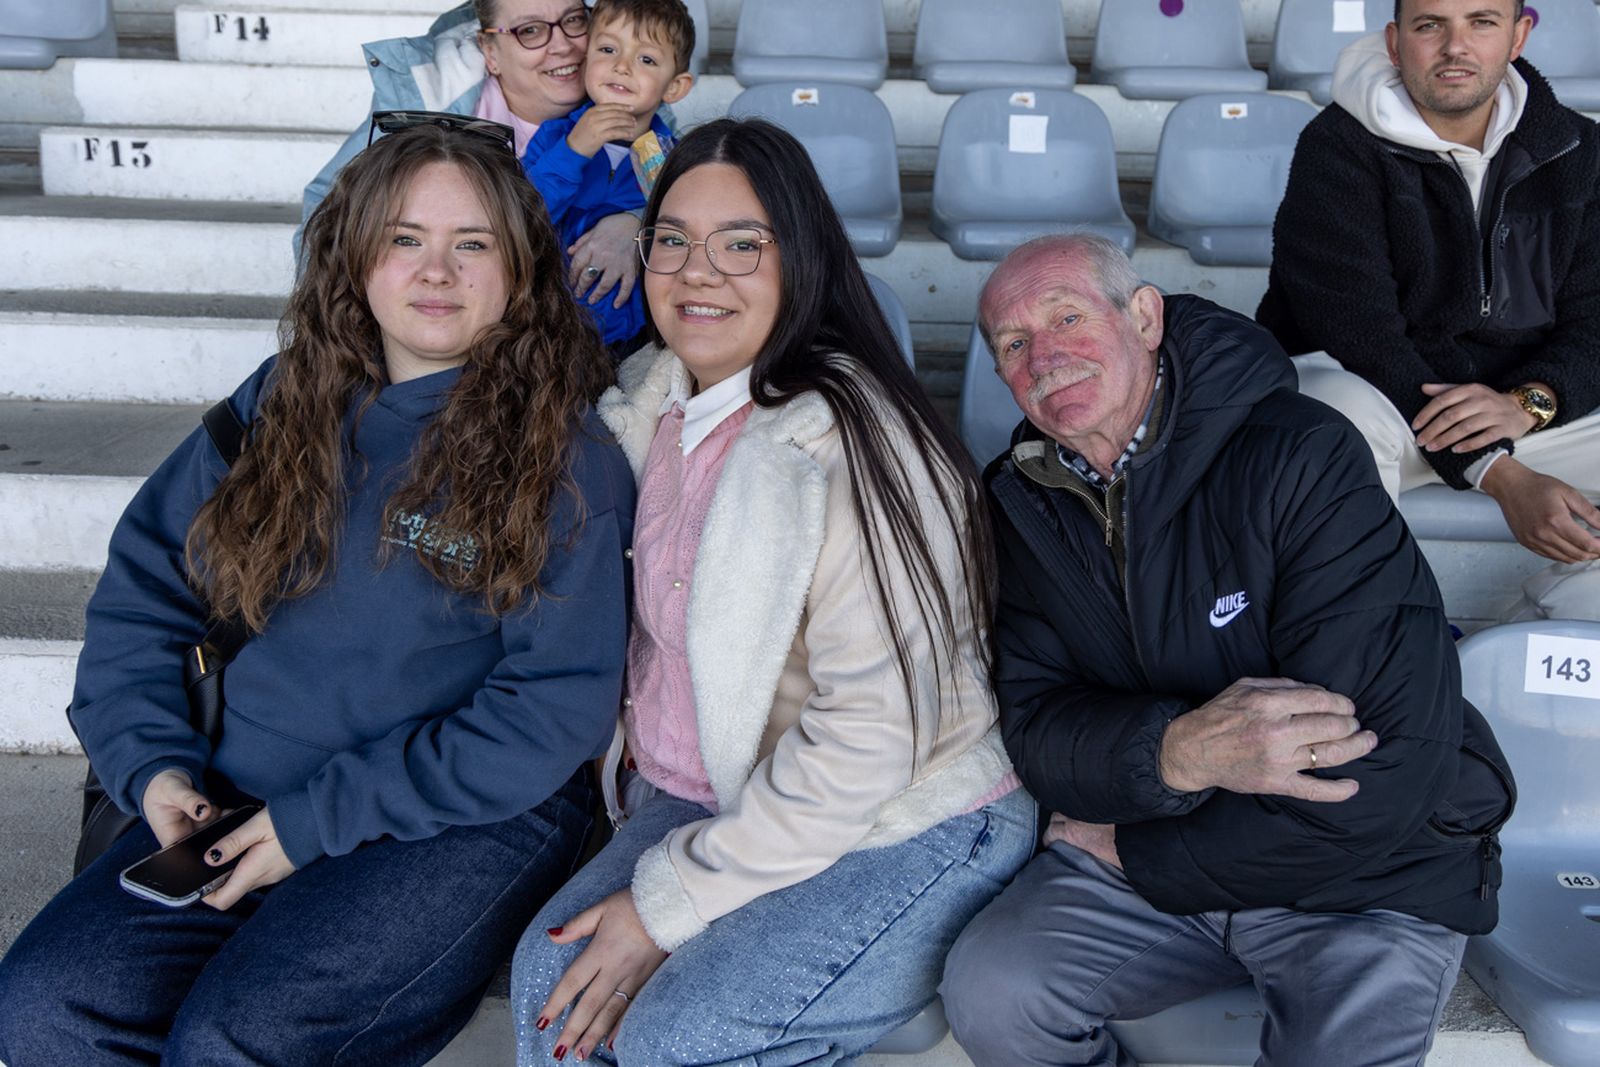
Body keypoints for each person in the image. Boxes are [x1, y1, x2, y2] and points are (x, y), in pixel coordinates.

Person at [0, 121, 635, 1065]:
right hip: (236, 792)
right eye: (403, 238)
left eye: (473, 244)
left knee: (237, 1039)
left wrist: (314, 822)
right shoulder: (282, 400)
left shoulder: (568, 457)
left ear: (519, 271)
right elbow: (145, 594)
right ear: (356, 255)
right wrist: (155, 768)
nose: (437, 271)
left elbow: (552, 710)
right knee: (45, 1006)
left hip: (459, 816)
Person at [509, 118, 1031, 1066]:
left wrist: (663, 905)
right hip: (713, 788)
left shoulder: (856, 445)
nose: (699, 271)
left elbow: (868, 744)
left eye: (742, 243)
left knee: (683, 1036)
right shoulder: (645, 404)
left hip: (907, 813)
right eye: (673, 238)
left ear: (802, 259)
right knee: (551, 990)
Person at [939, 234, 1516, 1067]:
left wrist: (1138, 845)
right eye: (1014, 343)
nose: (1046, 356)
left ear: (1143, 317)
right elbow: (1040, 732)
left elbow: (1376, 774)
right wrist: (1176, 752)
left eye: (1067, 317)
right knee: (995, 990)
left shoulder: (1301, 451)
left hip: (1364, 882)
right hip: (1148, 874)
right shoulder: (1020, 502)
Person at [1257, 0, 1600, 596]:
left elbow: (1595, 321)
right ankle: (1353, 644)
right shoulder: (1338, 148)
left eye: (1482, 22)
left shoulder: (1578, 150)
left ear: (1518, 36)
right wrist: (1497, 471)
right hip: (1385, 404)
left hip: (1515, 407)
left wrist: (1530, 402)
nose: (1455, 47)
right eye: (1430, 25)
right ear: (1395, 43)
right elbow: (1363, 339)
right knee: (1331, 419)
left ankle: (1554, 623)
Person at [300, 0, 657, 318]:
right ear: (490, 51)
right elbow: (327, 211)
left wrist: (636, 224)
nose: (563, 45)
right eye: (530, 31)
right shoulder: (431, 100)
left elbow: (673, 184)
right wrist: (336, 323)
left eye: (575, 21)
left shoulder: (628, 93)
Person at [521, 0, 695, 357]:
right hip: (542, 330)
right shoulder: (554, 139)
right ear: (585, 61)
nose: (621, 66)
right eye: (607, 49)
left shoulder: (678, 160)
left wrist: (638, 219)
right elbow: (519, 218)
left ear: (674, 87)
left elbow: (688, 238)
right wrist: (574, 151)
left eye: (646, 59)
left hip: (636, 341)